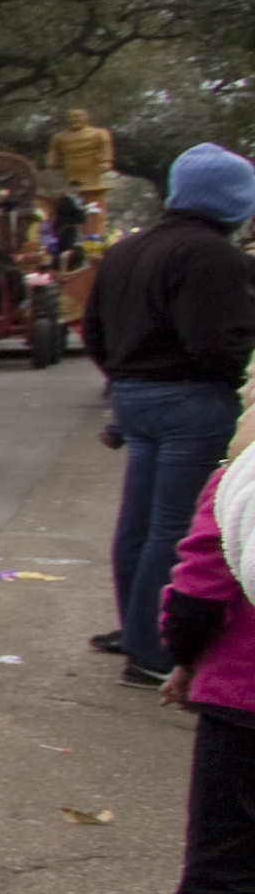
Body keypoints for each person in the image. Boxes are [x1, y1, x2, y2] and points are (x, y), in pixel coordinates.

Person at [80, 449, 255, 894]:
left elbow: (198, 592)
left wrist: (183, 660)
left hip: (245, 699)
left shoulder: (242, 475)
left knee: (225, 877)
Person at [81, 142, 255, 687]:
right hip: (191, 396)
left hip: (134, 393)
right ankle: (154, 647)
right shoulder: (213, 257)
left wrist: (120, 375)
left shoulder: (129, 251)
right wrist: (234, 378)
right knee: (175, 526)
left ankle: (133, 625)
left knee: (139, 520)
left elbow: (91, 328)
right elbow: (216, 338)